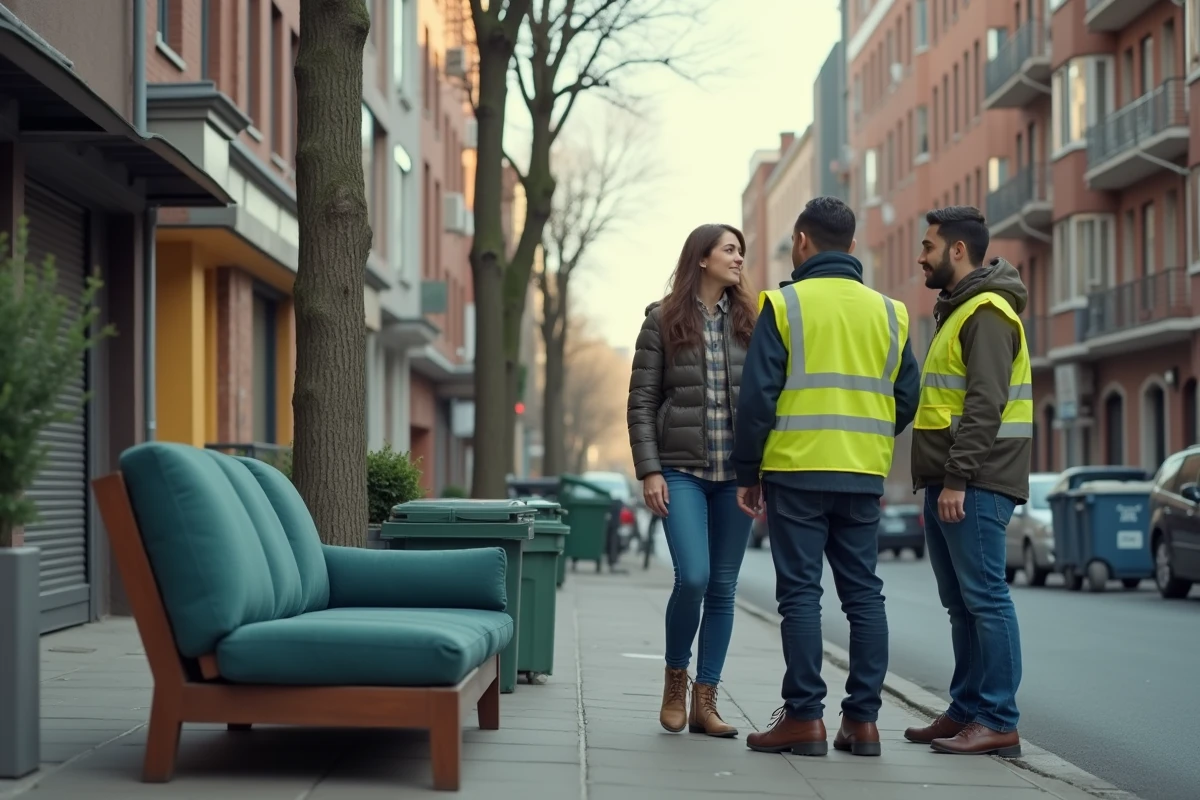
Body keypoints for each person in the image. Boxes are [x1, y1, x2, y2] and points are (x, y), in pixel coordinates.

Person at [731, 196, 920, 757]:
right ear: (853, 246)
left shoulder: (785, 305)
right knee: (864, 595)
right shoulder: (890, 312)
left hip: (796, 471)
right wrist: (870, 434)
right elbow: (907, 394)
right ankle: (862, 723)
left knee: (800, 595)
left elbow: (758, 397)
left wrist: (749, 471)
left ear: (801, 241)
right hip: (861, 473)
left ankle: (804, 718)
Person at [906, 205, 1031, 758]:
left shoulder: (987, 311)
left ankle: (998, 719)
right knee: (961, 604)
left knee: (985, 600)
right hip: (950, 480)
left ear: (957, 250)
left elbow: (985, 404)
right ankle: (965, 709)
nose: (921, 256)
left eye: (928, 246)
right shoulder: (957, 310)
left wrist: (957, 478)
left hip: (975, 481)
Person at [627, 223, 757, 738]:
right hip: (681, 472)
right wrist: (649, 469)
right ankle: (675, 679)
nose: (739, 258)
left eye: (741, 251)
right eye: (729, 249)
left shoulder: (751, 321)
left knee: (723, 587)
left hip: (735, 477)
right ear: (702, 258)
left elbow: (764, 401)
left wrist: (759, 472)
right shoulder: (662, 320)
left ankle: (706, 700)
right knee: (695, 577)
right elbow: (641, 402)